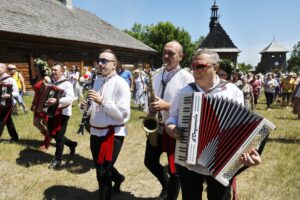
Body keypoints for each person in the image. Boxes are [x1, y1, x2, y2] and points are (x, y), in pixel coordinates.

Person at [165, 49, 262, 200]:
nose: (195, 70)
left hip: (221, 161)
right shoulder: (184, 92)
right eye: (193, 66)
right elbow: (172, 118)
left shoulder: (232, 91)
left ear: (215, 68)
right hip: (188, 162)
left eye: (200, 66)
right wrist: (171, 127)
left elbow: (242, 128)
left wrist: (250, 153)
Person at [144, 41, 194, 200]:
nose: (166, 56)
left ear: (181, 56)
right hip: (157, 126)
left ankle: (170, 195)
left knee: (175, 170)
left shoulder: (187, 77)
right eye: (164, 52)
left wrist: (167, 106)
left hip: (174, 128)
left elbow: (191, 107)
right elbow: (150, 97)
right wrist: (150, 108)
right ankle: (166, 186)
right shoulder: (156, 74)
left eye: (171, 53)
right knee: (150, 161)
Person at [80, 49, 131, 200]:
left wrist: (101, 101)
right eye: (99, 60)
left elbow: (122, 115)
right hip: (95, 132)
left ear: (114, 65)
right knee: (100, 166)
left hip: (112, 134)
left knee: (102, 172)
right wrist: (85, 107)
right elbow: (93, 109)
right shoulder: (96, 80)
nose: (100, 64)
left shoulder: (121, 84)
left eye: (104, 61)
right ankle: (118, 178)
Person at [47, 62, 78, 169]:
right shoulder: (52, 82)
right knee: (52, 134)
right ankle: (71, 144)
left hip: (63, 113)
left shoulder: (67, 83)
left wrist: (57, 100)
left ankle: (57, 160)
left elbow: (70, 98)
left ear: (62, 71)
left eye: (56, 70)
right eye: (52, 70)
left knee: (59, 137)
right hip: (52, 111)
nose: (53, 72)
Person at [30, 58, 52, 150]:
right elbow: (36, 93)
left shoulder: (46, 78)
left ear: (41, 68)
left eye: (36, 68)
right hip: (37, 104)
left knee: (46, 123)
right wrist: (33, 104)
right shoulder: (37, 78)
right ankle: (48, 136)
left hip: (44, 104)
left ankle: (46, 141)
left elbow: (51, 90)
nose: (35, 69)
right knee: (36, 123)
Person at [0, 63, 19, 141]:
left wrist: (9, 95)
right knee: (8, 121)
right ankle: (14, 137)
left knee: (1, 120)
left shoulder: (10, 79)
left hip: (7, 104)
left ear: (4, 69)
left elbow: (16, 93)